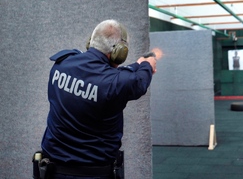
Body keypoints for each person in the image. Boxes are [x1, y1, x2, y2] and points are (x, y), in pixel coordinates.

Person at [39, 19, 156, 179]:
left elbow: (107, 77)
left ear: (91, 41)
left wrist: (137, 64)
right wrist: (148, 64)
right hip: (94, 174)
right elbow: (138, 82)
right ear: (119, 52)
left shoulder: (62, 63)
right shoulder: (116, 83)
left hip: (52, 171)